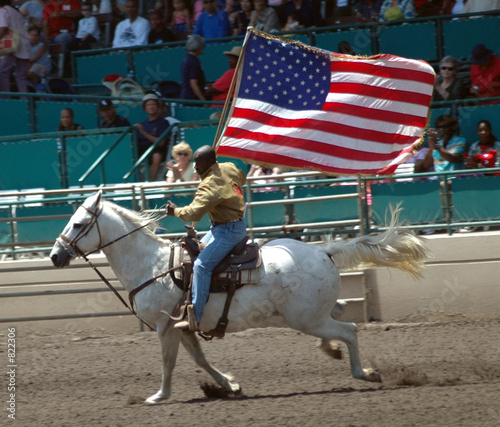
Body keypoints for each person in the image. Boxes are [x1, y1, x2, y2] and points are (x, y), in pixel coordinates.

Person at [165, 145, 247, 331]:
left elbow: (194, 213)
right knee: (192, 249)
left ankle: (195, 316)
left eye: (198, 163)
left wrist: (174, 211)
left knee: (201, 265)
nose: (195, 167)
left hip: (227, 230)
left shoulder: (210, 184)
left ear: (209, 162)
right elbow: (242, 177)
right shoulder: (228, 167)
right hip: (228, 225)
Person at [135, 93, 171, 180]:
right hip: (142, 151)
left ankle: (149, 184)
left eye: (153, 104)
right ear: (145, 108)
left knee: (156, 156)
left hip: (157, 151)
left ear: (158, 107)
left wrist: (143, 132)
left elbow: (161, 143)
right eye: (148, 105)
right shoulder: (142, 124)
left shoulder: (163, 122)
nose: (151, 107)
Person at [0, 0, 31, 94]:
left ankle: (6, 99)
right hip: (24, 44)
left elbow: (3, 28)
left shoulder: (2, 10)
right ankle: (24, 100)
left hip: (12, 45)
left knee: (3, 72)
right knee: (21, 75)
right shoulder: (14, 11)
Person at [180, 34, 206, 100]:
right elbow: (193, 84)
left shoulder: (187, 60)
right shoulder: (193, 62)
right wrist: (202, 99)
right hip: (192, 97)